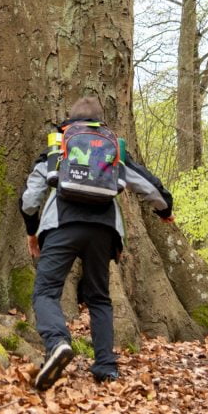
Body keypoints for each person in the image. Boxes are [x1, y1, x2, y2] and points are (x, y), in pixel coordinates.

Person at [20, 96, 174, 389]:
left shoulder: (59, 144)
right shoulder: (112, 146)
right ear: (101, 122)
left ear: (70, 119)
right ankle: (105, 366)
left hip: (61, 225)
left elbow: (31, 198)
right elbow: (145, 184)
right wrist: (164, 208)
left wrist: (31, 229)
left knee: (46, 291)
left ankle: (57, 344)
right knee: (99, 298)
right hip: (104, 230)